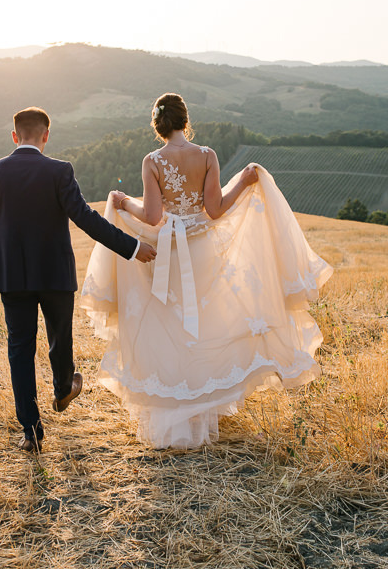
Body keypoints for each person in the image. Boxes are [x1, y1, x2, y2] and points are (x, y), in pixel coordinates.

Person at [80, 93, 333, 449]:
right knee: (205, 322)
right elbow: (215, 210)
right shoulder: (207, 155)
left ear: (158, 125)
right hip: (202, 251)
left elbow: (152, 217)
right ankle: (203, 410)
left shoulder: (152, 160)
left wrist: (125, 204)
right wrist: (242, 183)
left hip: (169, 252)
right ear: (186, 121)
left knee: (171, 324)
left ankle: (176, 414)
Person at [0, 106, 157, 453]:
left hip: (11, 276)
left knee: (19, 349)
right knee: (61, 337)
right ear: (46, 136)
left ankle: (30, 431)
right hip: (55, 273)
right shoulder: (59, 171)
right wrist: (131, 247)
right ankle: (61, 389)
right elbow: (86, 218)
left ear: (14, 136)